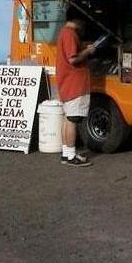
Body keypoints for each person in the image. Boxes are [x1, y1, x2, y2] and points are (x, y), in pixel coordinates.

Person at [56, 12, 96, 167]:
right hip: (75, 84)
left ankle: (67, 154)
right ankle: (71, 156)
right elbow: (73, 59)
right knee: (73, 120)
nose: (84, 26)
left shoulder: (63, 33)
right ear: (77, 20)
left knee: (67, 118)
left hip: (67, 84)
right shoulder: (71, 34)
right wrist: (88, 51)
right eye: (83, 23)